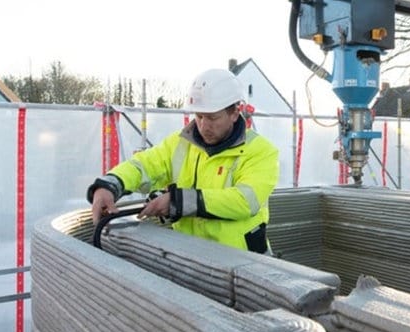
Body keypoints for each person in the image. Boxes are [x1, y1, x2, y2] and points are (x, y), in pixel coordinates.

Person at [87, 68, 280, 253]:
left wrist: (178, 201)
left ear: (235, 113)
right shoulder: (181, 144)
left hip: (245, 265)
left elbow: (244, 202)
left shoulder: (261, 151)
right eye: (199, 116)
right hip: (190, 259)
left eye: (212, 118)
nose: (204, 126)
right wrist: (109, 185)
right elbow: (143, 165)